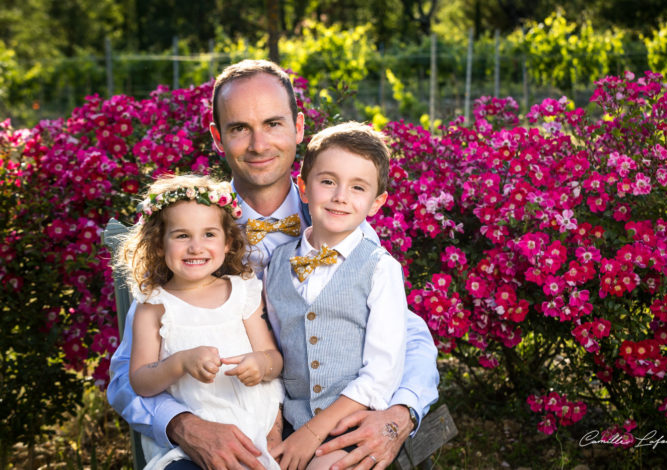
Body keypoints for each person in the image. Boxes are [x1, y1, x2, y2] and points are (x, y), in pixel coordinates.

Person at [108, 59, 439, 470]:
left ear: (299, 127)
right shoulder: (194, 231)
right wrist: (182, 424)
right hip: (224, 420)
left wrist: (400, 413)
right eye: (239, 128)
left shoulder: (338, 221)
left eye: (273, 124)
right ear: (217, 137)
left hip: (324, 421)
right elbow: (128, 370)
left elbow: (407, 336)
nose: (259, 145)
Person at [116, 174, 284, 469]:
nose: (196, 247)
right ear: (158, 244)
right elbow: (140, 381)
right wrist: (179, 363)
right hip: (191, 443)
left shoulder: (242, 292)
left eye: (209, 234)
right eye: (182, 235)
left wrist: (261, 365)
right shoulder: (153, 307)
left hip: (259, 421)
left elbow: (273, 358)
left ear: (228, 242)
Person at [265, 122, 406, 470]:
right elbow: (276, 348)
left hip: (350, 427)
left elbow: (381, 374)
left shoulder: (379, 268)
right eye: (328, 181)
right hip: (291, 422)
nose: (341, 195)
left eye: (358, 187)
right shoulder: (278, 263)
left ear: (376, 203)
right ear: (303, 187)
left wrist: (315, 432)